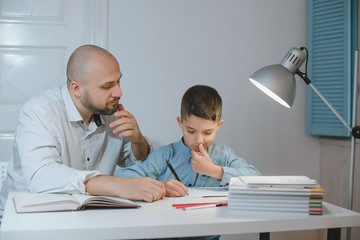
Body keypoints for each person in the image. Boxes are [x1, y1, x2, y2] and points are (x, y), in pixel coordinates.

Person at [0, 45, 165, 221]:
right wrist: (117, 185)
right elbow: (41, 176)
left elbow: (134, 161)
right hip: (24, 220)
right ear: (76, 88)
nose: (119, 92)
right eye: (107, 86)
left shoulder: (110, 112)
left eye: (118, 81)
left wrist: (137, 140)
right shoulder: (38, 112)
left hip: (82, 219)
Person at [116, 84, 261, 196]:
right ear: (181, 123)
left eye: (208, 132)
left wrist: (216, 171)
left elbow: (257, 180)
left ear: (219, 125)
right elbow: (123, 177)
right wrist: (160, 187)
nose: (199, 140)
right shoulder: (166, 155)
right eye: (191, 131)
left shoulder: (223, 154)